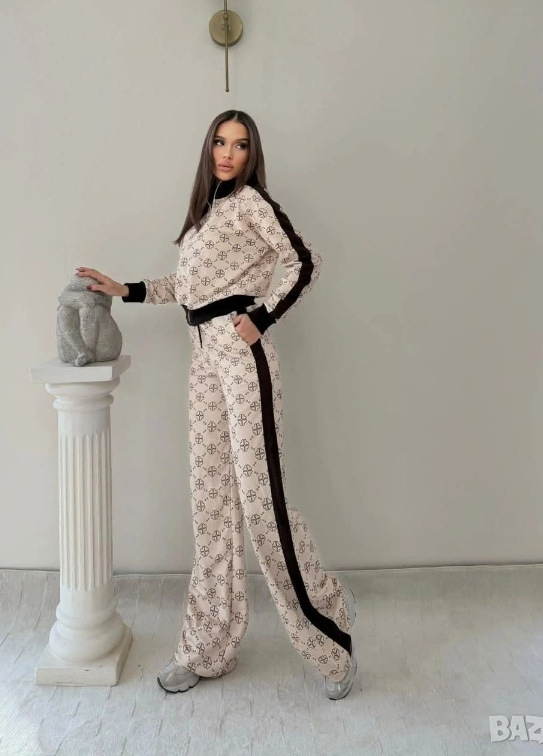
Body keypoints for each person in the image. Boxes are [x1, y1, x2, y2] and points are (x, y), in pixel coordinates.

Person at [75, 109, 358, 699]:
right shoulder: (205, 215)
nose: (228, 153)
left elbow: (305, 261)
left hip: (241, 356)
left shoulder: (254, 203)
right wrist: (124, 289)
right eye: (220, 143)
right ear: (209, 150)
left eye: (240, 144)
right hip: (202, 359)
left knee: (260, 506)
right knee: (211, 507)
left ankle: (330, 631)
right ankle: (206, 648)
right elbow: (186, 290)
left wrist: (262, 318)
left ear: (253, 154)